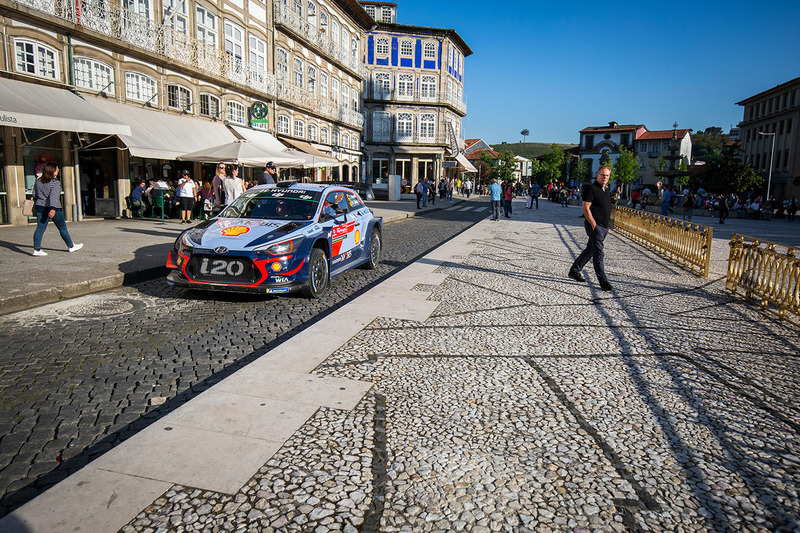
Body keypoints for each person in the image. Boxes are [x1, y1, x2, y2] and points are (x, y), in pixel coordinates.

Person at [568, 165, 613, 291]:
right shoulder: (591, 189)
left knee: (591, 250)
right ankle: (603, 281)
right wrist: (593, 223)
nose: (605, 177)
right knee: (599, 252)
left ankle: (574, 270)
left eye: (607, 175)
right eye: (603, 175)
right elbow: (585, 208)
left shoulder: (607, 189)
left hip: (604, 226)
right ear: (597, 175)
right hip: (595, 226)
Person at [31, 162, 83, 256]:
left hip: (40, 206)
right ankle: (71, 246)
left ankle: (37, 249)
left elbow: (34, 194)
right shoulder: (55, 183)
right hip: (54, 208)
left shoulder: (38, 181)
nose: (58, 171)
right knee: (62, 227)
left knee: (40, 228)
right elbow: (54, 196)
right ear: (53, 171)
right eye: (57, 169)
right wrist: (53, 209)